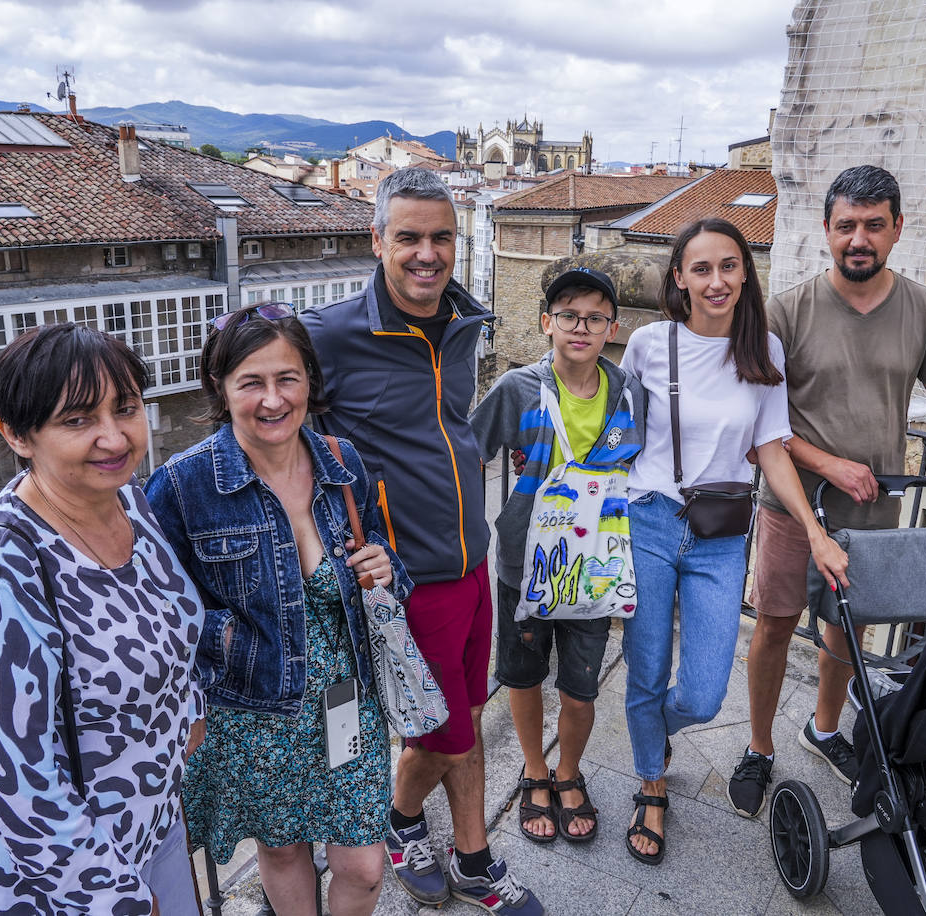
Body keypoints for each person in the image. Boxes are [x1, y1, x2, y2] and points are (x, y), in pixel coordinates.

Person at [300, 167, 543, 915]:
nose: (426, 253)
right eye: (408, 237)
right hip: (408, 581)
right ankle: (417, 833)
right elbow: (265, 424)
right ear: (377, 241)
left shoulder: (464, 325)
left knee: (464, 716)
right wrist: (323, 540)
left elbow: (452, 427)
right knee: (440, 735)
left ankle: (448, 845)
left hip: (472, 566)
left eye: (442, 237)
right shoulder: (327, 335)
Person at [728, 165, 926, 819]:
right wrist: (831, 463)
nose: (859, 238)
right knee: (778, 625)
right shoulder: (787, 311)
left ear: (898, 228)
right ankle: (759, 746)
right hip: (793, 507)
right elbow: (762, 421)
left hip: (876, 508)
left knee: (852, 628)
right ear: (827, 231)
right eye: (846, 225)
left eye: (874, 224)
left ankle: (821, 728)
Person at [146, 305, 408, 916]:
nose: (272, 399)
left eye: (287, 378)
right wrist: (229, 642)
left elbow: (389, 567)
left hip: (347, 699)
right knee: (284, 851)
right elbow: (159, 607)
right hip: (253, 710)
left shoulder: (342, 462)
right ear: (221, 386)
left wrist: (386, 569)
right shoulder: (182, 486)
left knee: (364, 867)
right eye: (251, 382)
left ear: (309, 382)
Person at [0, 324, 203, 915]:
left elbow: (172, 622)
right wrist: (118, 898)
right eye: (78, 420)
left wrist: (190, 714)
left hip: (154, 825)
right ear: (16, 434)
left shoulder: (130, 502)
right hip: (66, 880)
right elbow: (14, 783)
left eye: (126, 408)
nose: (114, 438)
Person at [619, 218, 850, 864]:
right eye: (701, 269)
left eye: (728, 266)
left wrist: (815, 532)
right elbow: (620, 433)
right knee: (645, 667)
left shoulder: (764, 352)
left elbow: (772, 451)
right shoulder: (647, 344)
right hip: (650, 519)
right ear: (679, 279)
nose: (715, 280)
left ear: (745, 273)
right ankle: (652, 785)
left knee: (702, 691)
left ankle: (649, 730)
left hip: (720, 535)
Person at [470, 267, 647, 846]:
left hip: (594, 571)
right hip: (526, 567)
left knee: (581, 685)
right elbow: (468, 456)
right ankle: (535, 770)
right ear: (547, 322)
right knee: (522, 676)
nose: (581, 327)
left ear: (611, 329)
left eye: (595, 317)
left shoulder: (627, 392)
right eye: (569, 315)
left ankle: (569, 772)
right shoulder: (517, 389)